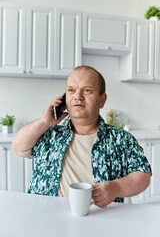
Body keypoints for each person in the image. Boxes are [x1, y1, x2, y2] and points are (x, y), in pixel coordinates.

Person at [12, 65, 152, 208]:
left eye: (87, 90)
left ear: (102, 100)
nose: (77, 97)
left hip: (100, 219)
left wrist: (115, 188)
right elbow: (19, 147)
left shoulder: (121, 139)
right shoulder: (50, 134)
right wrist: (44, 122)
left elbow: (143, 175)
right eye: (71, 90)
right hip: (45, 217)